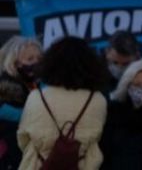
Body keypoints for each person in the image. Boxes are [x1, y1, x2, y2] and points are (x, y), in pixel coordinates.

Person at [18, 37, 108, 170]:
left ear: (50, 64)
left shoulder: (36, 97)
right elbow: (98, 139)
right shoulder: (97, 99)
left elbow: (23, 138)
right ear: (90, 65)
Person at [0, 37, 42, 170]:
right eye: (30, 59)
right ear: (15, 63)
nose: (36, 62)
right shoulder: (7, 86)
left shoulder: (31, 83)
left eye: (39, 58)